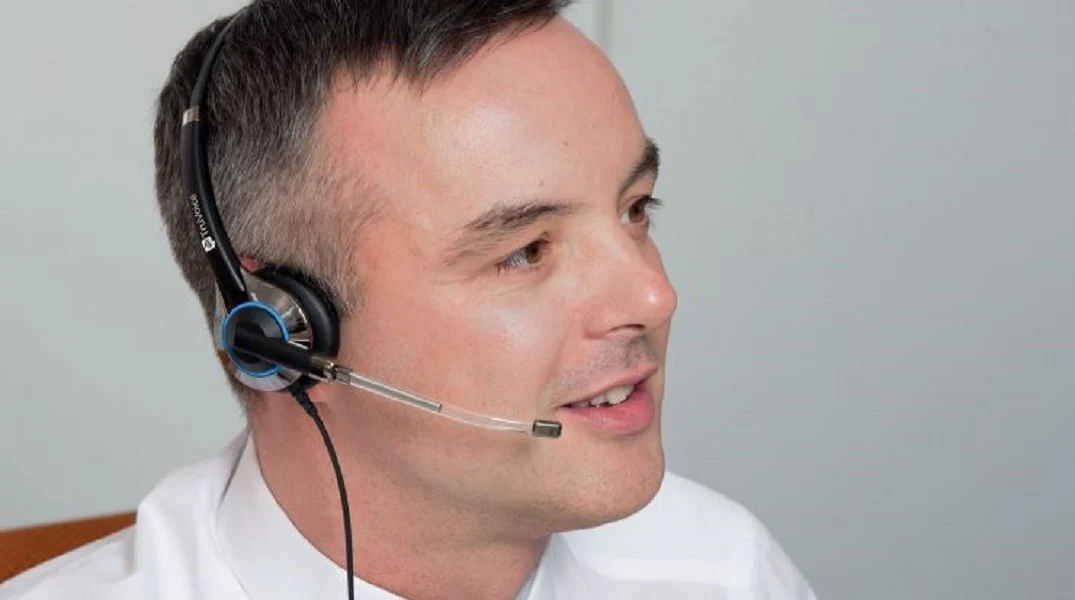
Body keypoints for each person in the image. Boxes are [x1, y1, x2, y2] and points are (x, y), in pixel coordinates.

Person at [0, 1, 817, 598]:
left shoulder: (718, 570)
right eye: (524, 251)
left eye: (636, 209)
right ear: (284, 332)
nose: (654, 295)